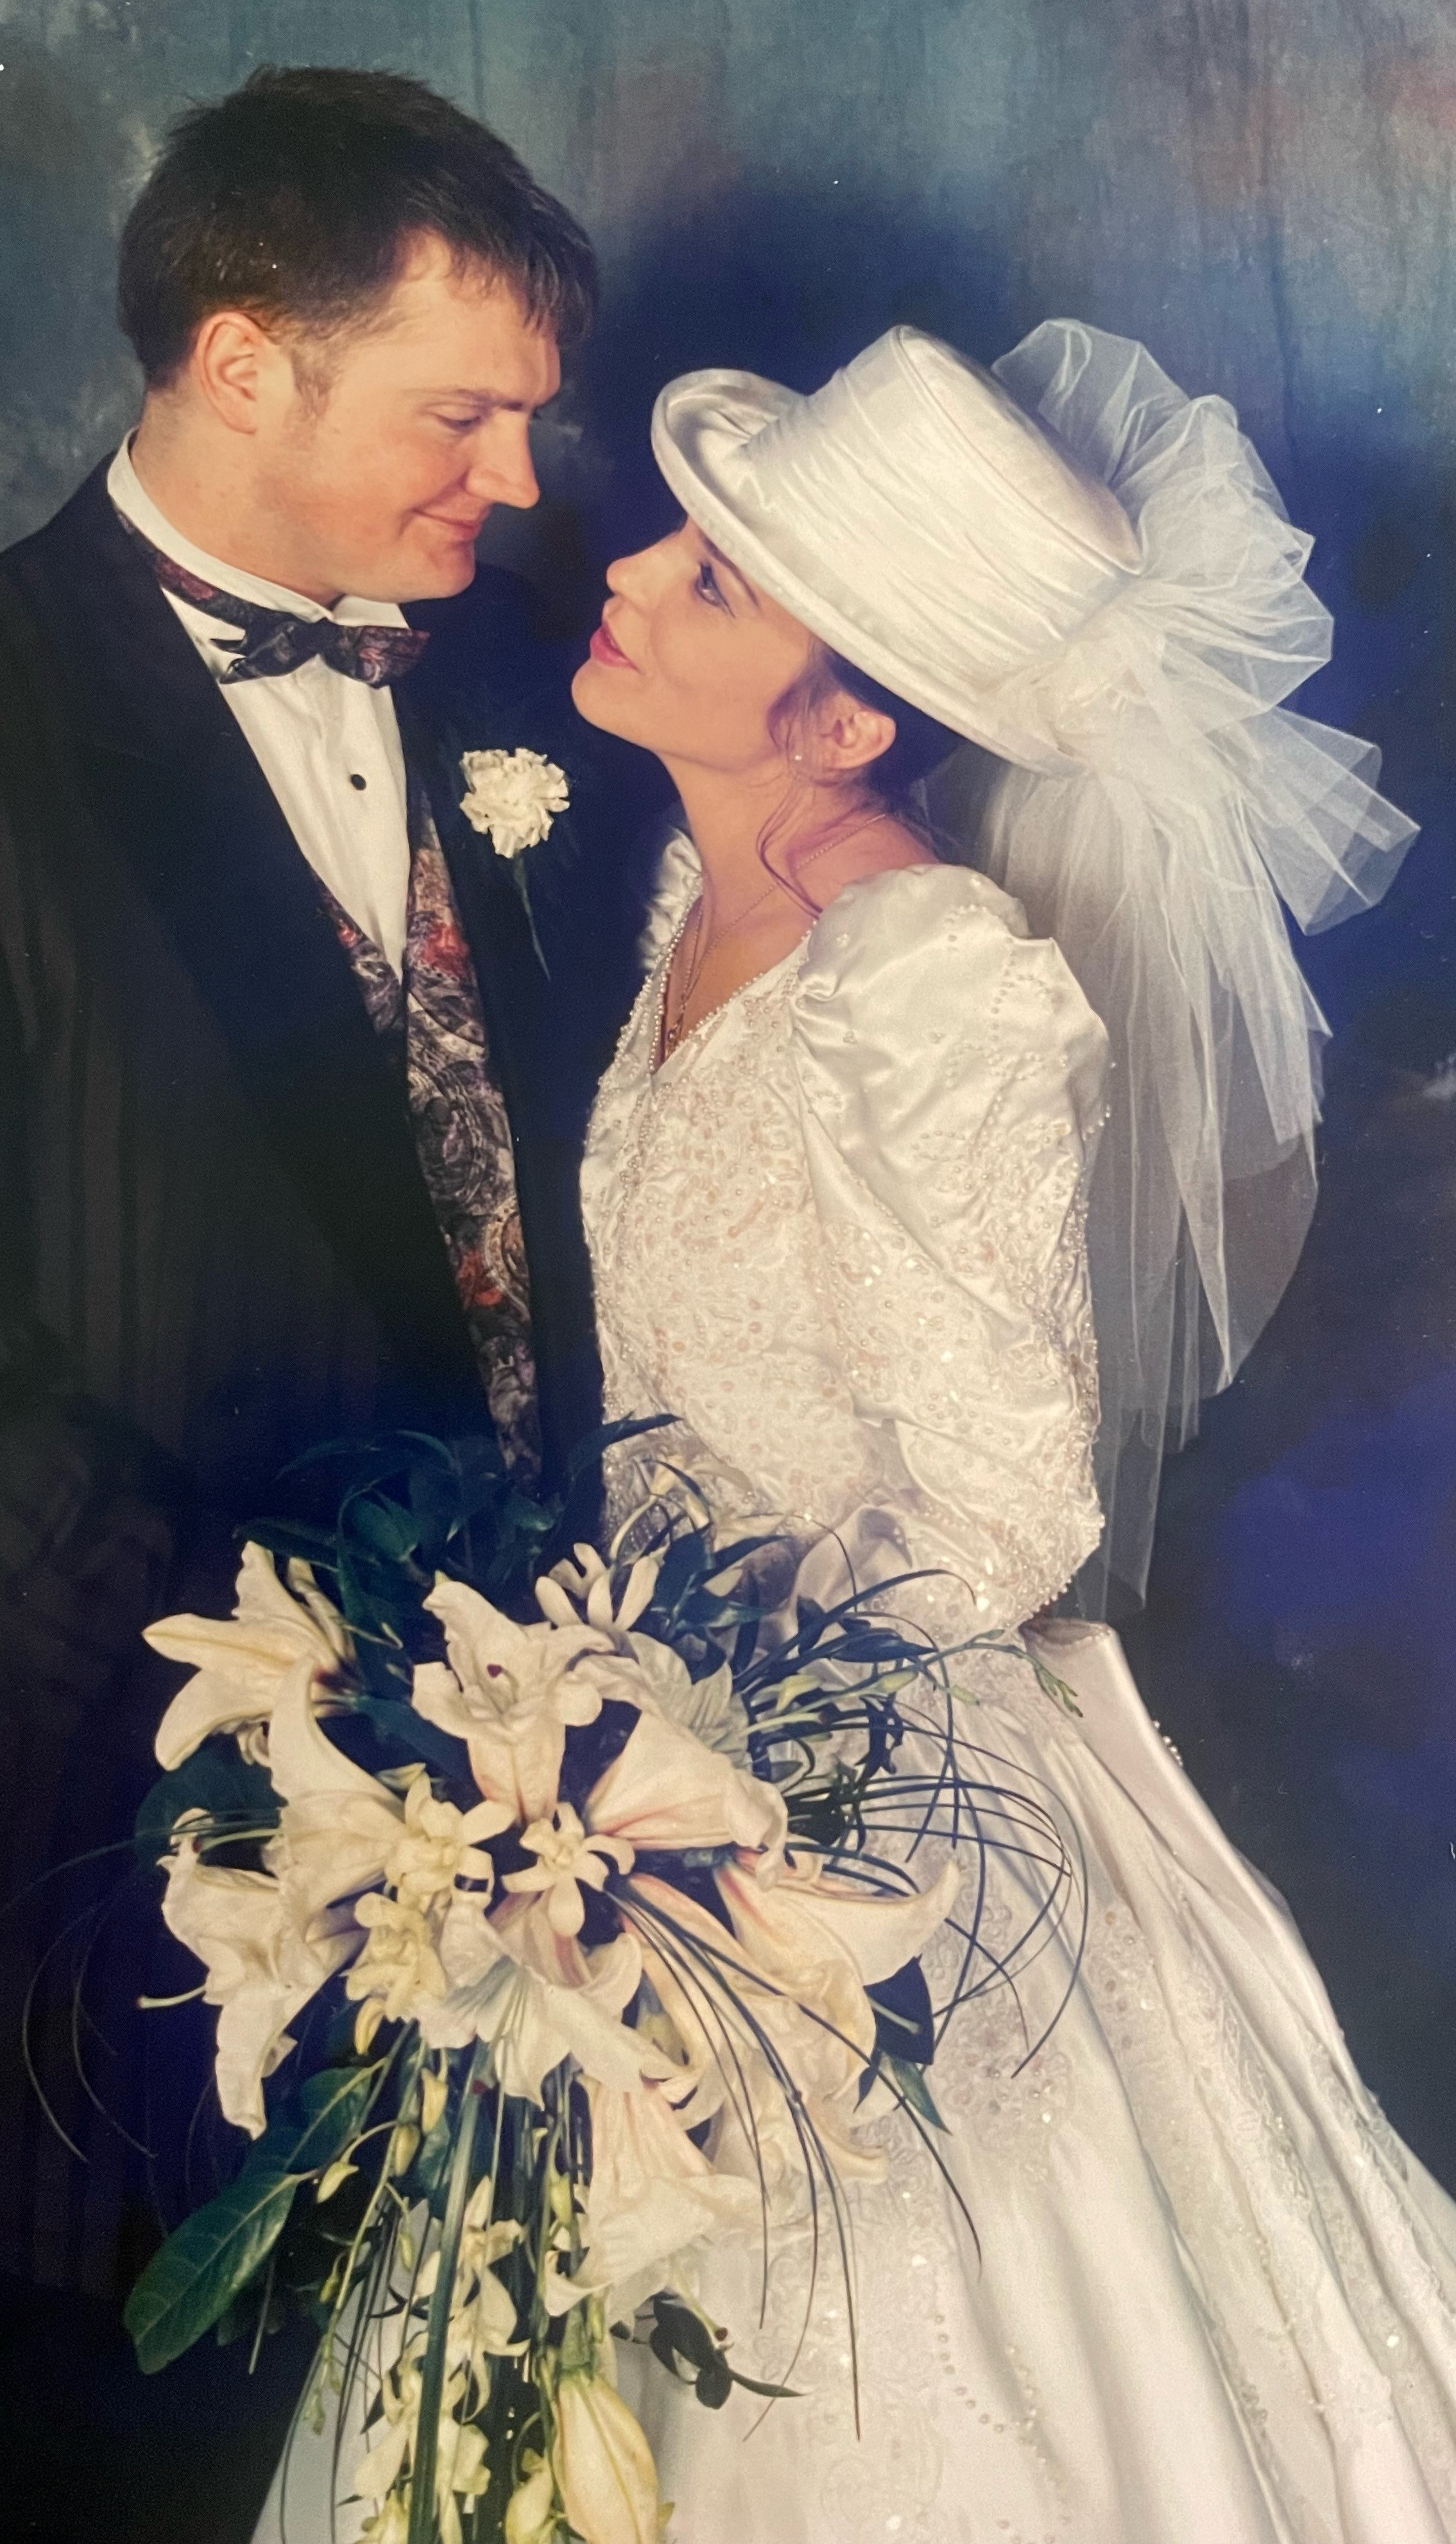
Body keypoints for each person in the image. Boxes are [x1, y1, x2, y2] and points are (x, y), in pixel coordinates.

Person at [0, 65, 655, 2544]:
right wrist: (343, 1733)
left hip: (555, 1895)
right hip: (106, 1919)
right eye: (463, 416)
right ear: (241, 362)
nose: (518, 481)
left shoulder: (526, 695)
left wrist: (538, 1775)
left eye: (526, 422)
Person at [568, 322, 1456, 2538]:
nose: (629, 570)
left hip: (862, 1789)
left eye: (708, 580)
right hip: (623, 1764)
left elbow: (999, 1494)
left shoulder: (923, 966)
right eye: (675, 541)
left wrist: (720, 1753)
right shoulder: (697, 893)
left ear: (847, 721)